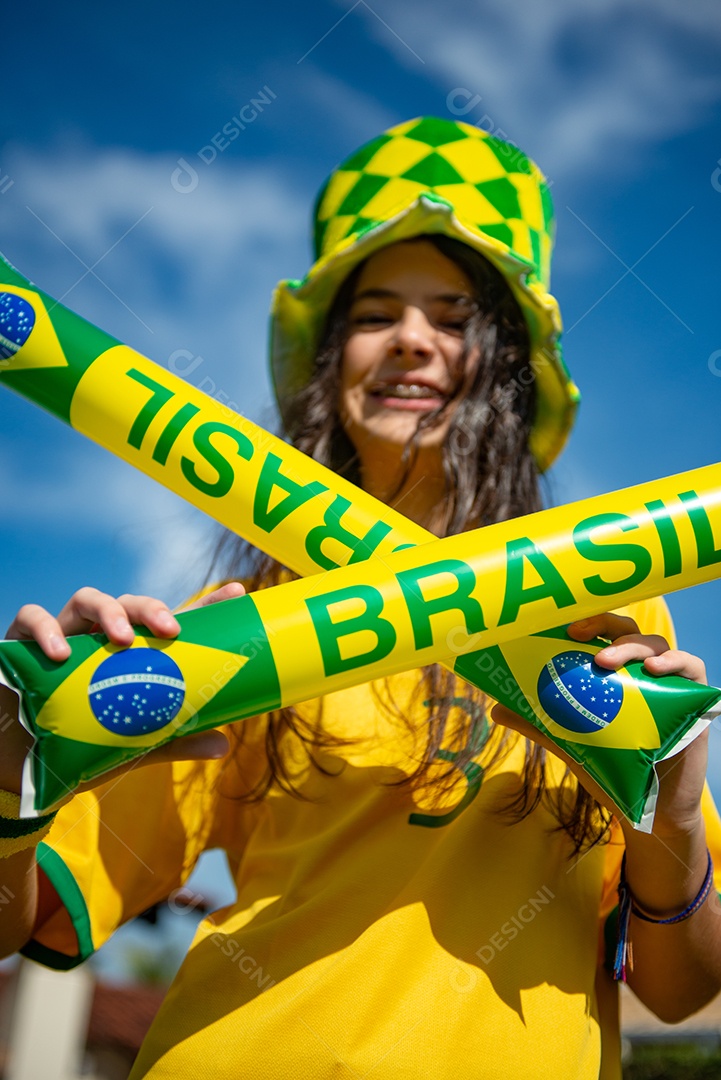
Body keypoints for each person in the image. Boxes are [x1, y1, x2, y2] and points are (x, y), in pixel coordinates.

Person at [1, 116, 720, 1080]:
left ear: (507, 367)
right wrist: (13, 767)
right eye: (376, 315)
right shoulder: (235, 623)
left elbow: (678, 990)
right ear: (331, 359)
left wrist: (671, 818)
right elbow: (33, 916)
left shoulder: (607, 618)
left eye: (455, 319)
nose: (411, 342)